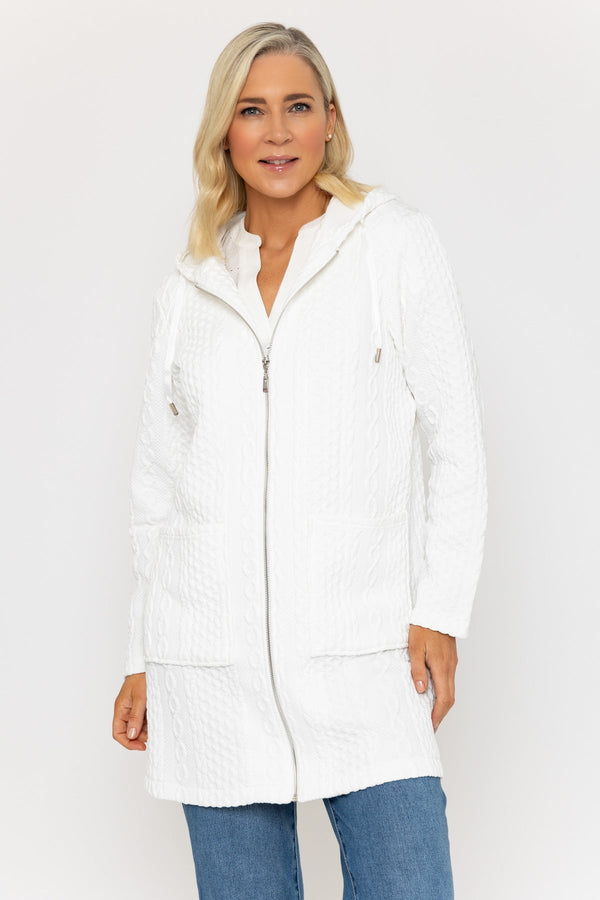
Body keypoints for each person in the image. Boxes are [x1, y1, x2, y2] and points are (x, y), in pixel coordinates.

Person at [112, 21, 487, 899]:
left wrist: (440, 609)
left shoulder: (392, 245)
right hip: (210, 666)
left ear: (330, 120)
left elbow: (456, 441)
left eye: (297, 107)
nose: (276, 132)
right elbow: (158, 491)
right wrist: (141, 653)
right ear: (225, 131)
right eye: (252, 110)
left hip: (363, 653)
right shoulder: (191, 285)